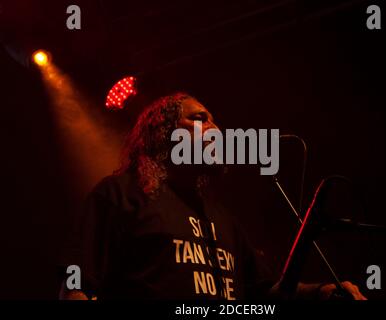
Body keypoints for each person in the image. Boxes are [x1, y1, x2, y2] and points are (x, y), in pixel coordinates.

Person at [59, 92, 366, 300]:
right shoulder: (119, 194)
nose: (215, 129)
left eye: (214, 120)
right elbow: (77, 283)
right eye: (200, 119)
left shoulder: (221, 217)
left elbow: (265, 291)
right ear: (164, 134)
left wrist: (323, 291)